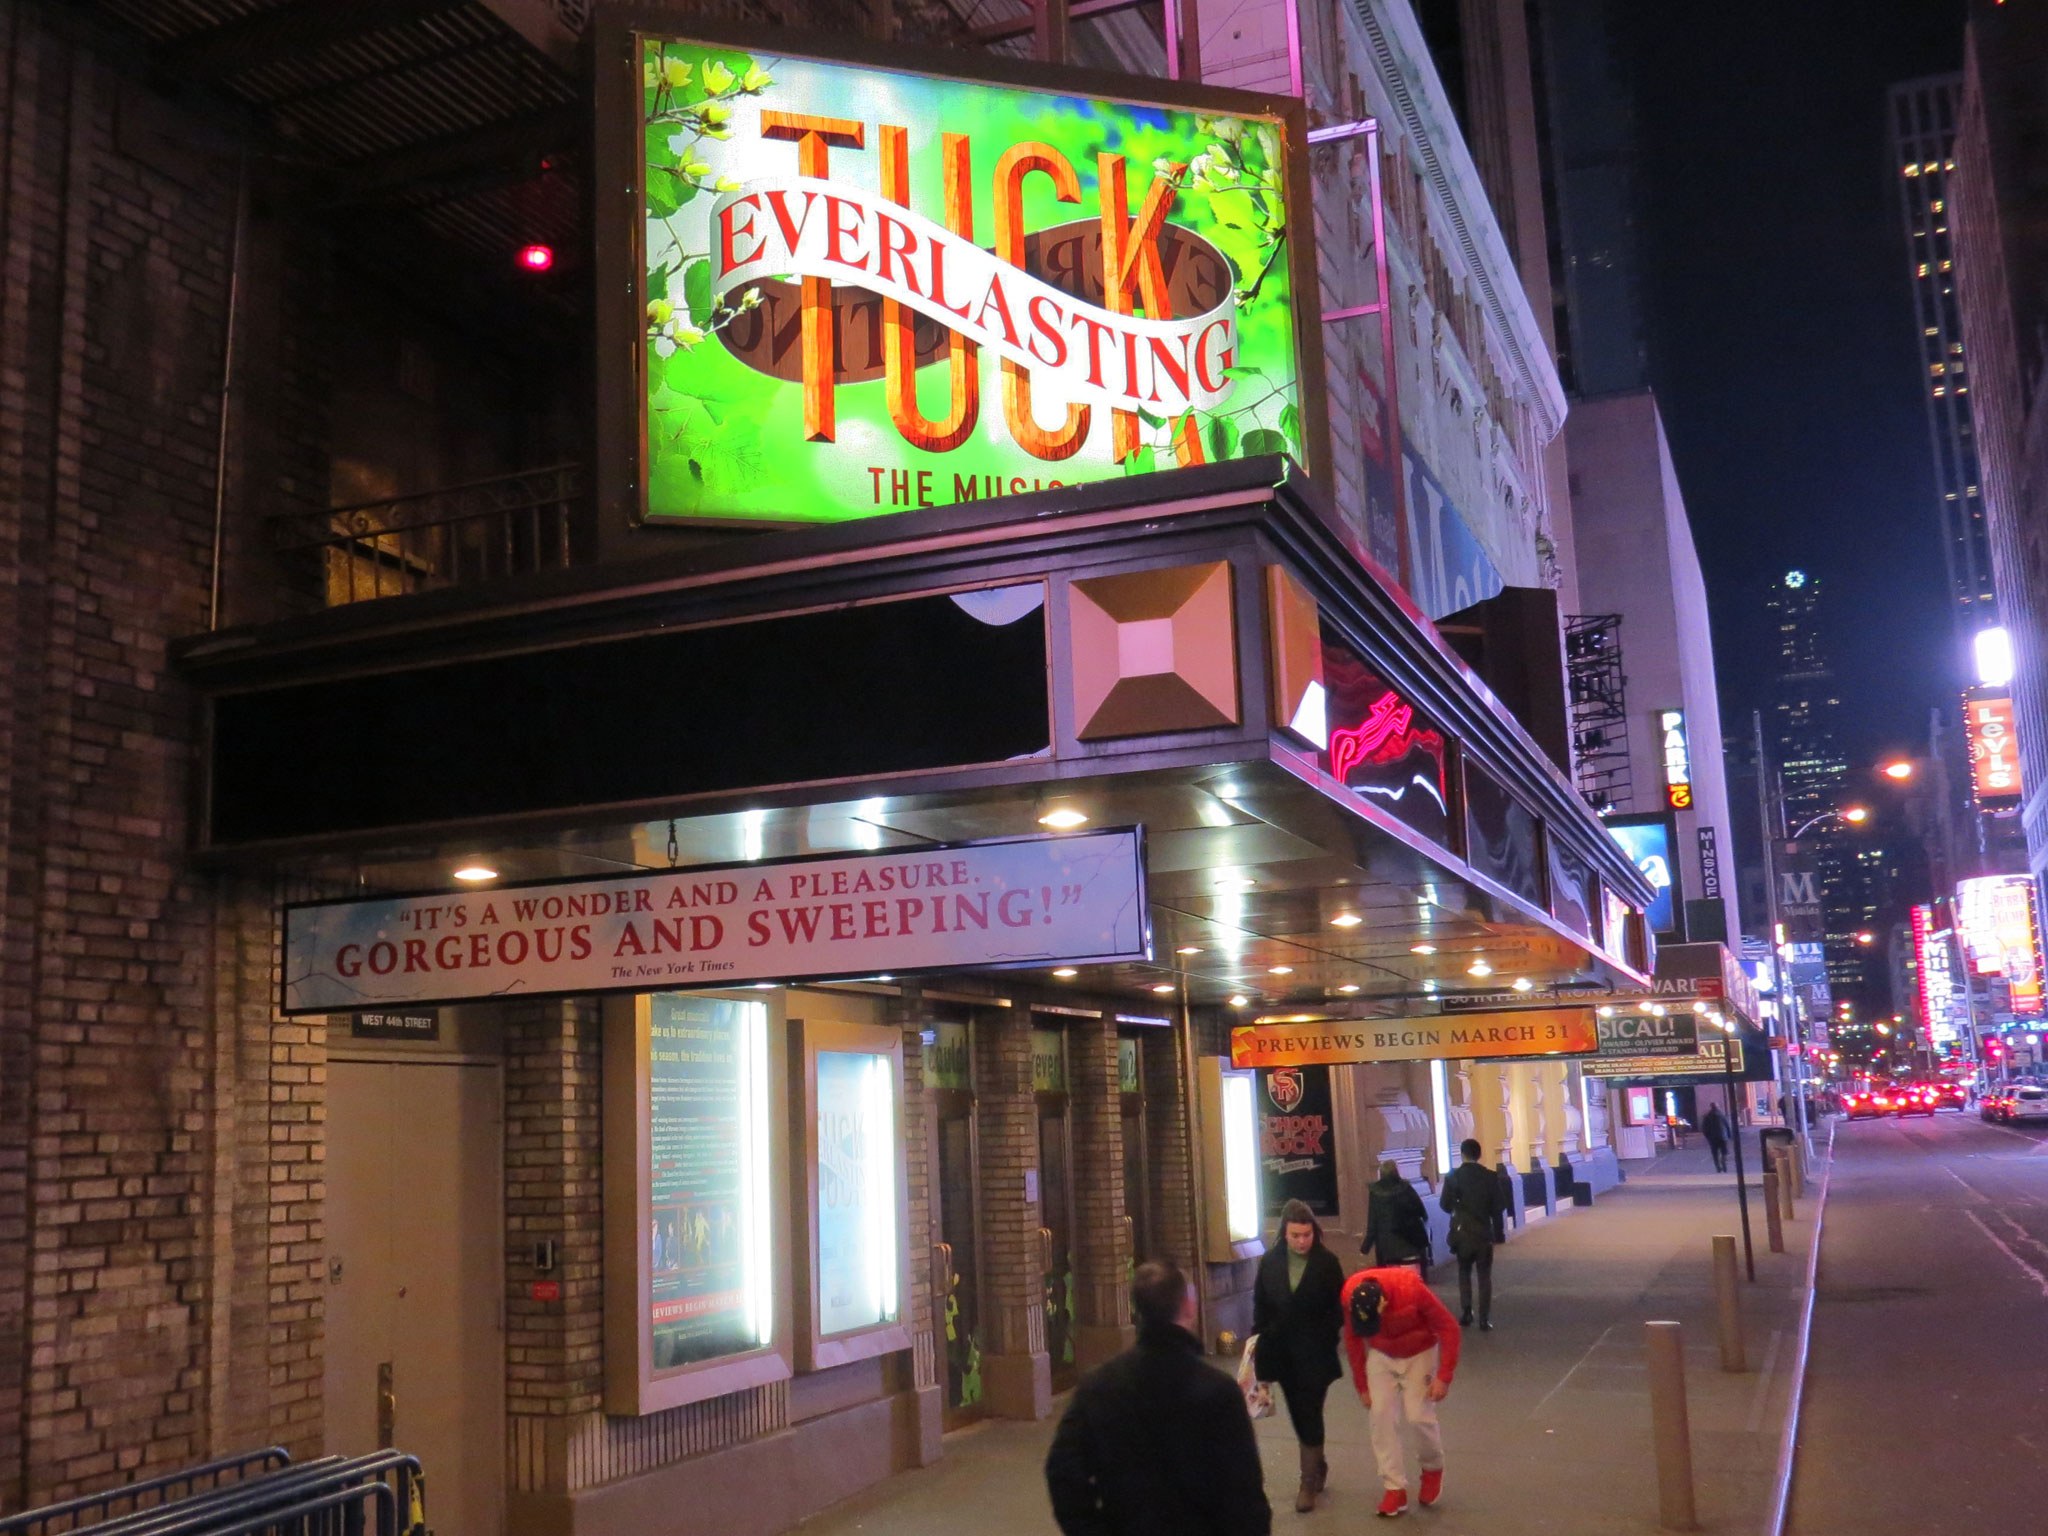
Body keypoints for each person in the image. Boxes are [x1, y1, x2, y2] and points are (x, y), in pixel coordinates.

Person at [1046, 1258, 1271, 1536]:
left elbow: (1063, 1473)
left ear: (1136, 1310)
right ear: (1189, 1306)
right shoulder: (1218, 1392)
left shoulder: (1099, 1388)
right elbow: (1244, 1492)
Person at [1341, 1262, 1462, 1519]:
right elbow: (1352, 1340)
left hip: (1420, 1351)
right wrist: (1362, 1386)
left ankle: (1432, 1468)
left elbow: (1449, 1327)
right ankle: (1394, 1487)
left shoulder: (1412, 1289)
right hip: (1381, 1353)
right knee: (1380, 1415)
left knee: (1419, 1416)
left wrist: (1444, 1377)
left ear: (1383, 1303)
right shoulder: (1350, 1295)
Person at [1251, 1199, 1346, 1513]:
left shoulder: (1327, 1263)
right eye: (1296, 1235)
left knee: (1309, 1411)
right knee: (1300, 1413)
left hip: (1316, 1353)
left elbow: (1337, 1307)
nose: (1302, 1241)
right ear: (1285, 1234)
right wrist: (1259, 1358)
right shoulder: (1270, 1263)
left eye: (1307, 1235)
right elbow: (1261, 1309)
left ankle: (1307, 1481)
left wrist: (1328, 1336)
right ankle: (1317, 1460)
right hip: (1281, 1352)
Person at [1438, 1139, 1504, 1330]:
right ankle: (1484, 1318)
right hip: (1483, 1233)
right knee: (1484, 1276)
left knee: (1463, 1271)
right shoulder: (1490, 1177)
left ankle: (1466, 1311)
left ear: (1462, 1154)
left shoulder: (1453, 1177)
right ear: (1479, 1155)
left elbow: (1444, 1205)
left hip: (1462, 1233)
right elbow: (1498, 1207)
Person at [1362, 1160, 1430, 1272]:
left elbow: (1373, 1223)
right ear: (1397, 1172)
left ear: (1381, 1174)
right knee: (1411, 1284)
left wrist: (1365, 1247)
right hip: (1411, 1246)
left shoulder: (1376, 1193)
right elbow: (1422, 1212)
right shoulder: (1407, 1189)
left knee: (1392, 1285)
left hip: (1387, 1251)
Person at [1700, 1103, 1731, 1173]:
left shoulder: (1707, 1116)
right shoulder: (1722, 1115)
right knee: (1724, 1152)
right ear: (1718, 1107)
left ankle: (1718, 1167)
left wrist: (1708, 1137)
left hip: (1713, 1138)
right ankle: (1723, 1160)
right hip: (1723, 1137)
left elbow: (1704, 1128)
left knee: (1715, 1153)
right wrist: (1729, 1135)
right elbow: (1727, 1126)